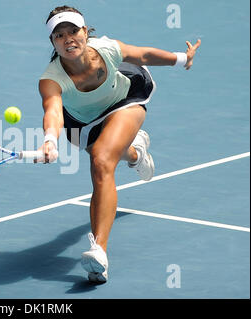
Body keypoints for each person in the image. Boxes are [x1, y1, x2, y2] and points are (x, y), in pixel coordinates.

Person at [35, 5, 201, 283]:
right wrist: (50, 139)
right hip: (84, 123)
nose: (68, 39)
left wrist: (182, 58)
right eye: (59, 35)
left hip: (124, 98)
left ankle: (99, 251)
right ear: (53, 42)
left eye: (73, 31)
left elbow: (144, 55)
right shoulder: (51, 79)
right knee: (109, 154)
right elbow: (52, 110)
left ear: (85, 32)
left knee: (101, 159)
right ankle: (136, 153)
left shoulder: (107, 49)